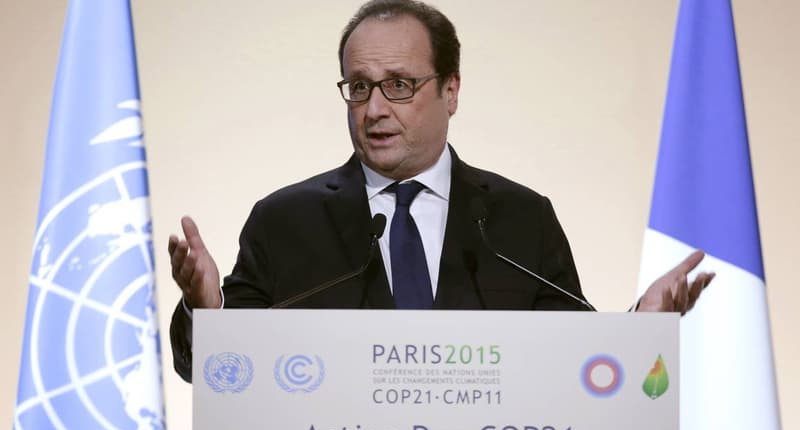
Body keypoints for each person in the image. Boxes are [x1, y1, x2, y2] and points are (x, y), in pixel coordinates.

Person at [168, 0, 714, 382]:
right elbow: (217, 375)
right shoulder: (284, 222)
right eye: (359, 87)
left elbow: (577, 368)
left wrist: (642, 329)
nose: (375, 109)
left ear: (450, 91)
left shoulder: (520, 220)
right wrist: (205, 310)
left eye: (399, 85)